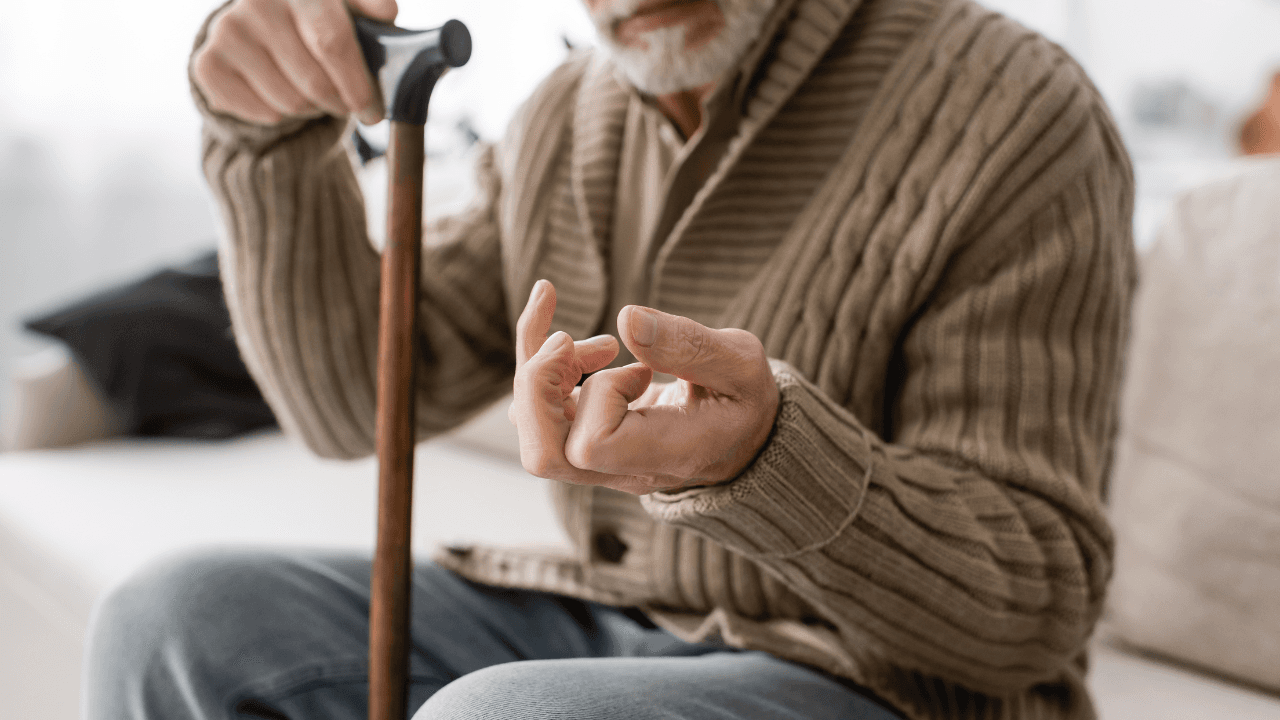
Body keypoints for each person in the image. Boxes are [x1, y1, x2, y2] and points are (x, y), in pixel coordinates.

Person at [84, 0, 1136, 718]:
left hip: (886, 681)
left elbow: (1028, 612)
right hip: (609, 616)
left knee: (506, 714)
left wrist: (763, 460)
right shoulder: (562, 114)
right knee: (176, 619)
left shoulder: (1014, 107)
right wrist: (258, 137)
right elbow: (347, 402)